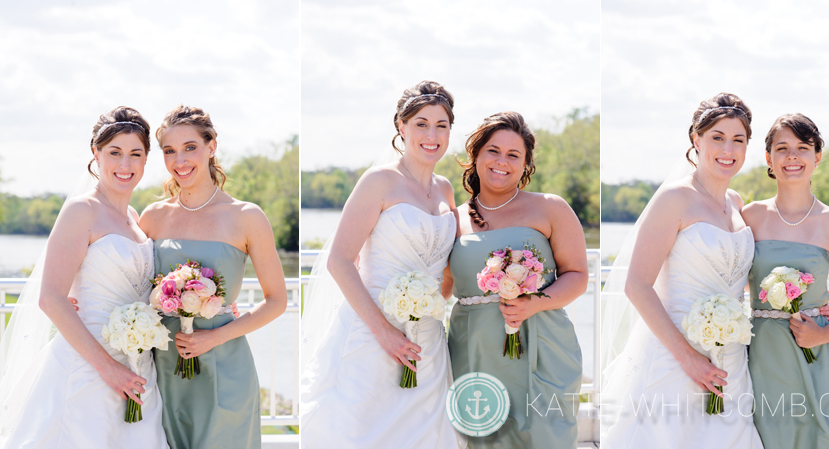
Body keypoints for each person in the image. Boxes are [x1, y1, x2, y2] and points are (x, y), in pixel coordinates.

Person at [300, 81, 464, 448]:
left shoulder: (446, 189)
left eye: (442, 125)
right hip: (372, 334)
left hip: (427, 342)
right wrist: (385, 332)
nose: (432, 134)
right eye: (421, 123)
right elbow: (340, 261)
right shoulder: (379, 182)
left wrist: (433, 309)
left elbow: (449, 266)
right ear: (401, 127)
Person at [0, 107, 168, 448]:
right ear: (96, 154)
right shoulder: (81, 211)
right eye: (115, 153)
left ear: (146, 159)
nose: (125, 165)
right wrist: (108, 368)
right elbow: (50, 298)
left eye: (135, 154)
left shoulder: (135, 219)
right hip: (88, 367)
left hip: (138, 368)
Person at [601, 93, 763, 448]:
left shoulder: (736, 204)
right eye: (717, 137)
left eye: (738, 140)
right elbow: (637, 286)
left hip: (731, 360)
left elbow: (737, 277)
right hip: (676, 357)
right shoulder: (674, 199)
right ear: (696, 139)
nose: (728, 149)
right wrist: (689, 359)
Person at [140, 105, 287, 449]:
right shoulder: (153, 217)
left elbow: (277, 301)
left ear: (211, 146)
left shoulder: (246, 217)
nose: (180, 160)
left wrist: (213, 339)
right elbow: (128, 282)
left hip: (224, 366)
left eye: (190, 147)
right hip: (163, 366)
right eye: (169, 151)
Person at [445, 111, 587, 448]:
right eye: (493, 151)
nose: (502, 162)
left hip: (542, 343)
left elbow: (578, 276)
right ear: (475, 155)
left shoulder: (550, 208)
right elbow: (442, 286)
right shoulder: (452, 219)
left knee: (546, 436)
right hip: (474, 348)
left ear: (526, 164)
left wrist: (532, 304)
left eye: (514, 155)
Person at [742, 113, 829, 448]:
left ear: (817, 156)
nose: (792, 156)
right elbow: (731, 280)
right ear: (769, 158)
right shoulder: (750, 217)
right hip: (765, 357)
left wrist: (821, 333)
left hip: (819, 357)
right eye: (782, 148)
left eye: (802, 147)